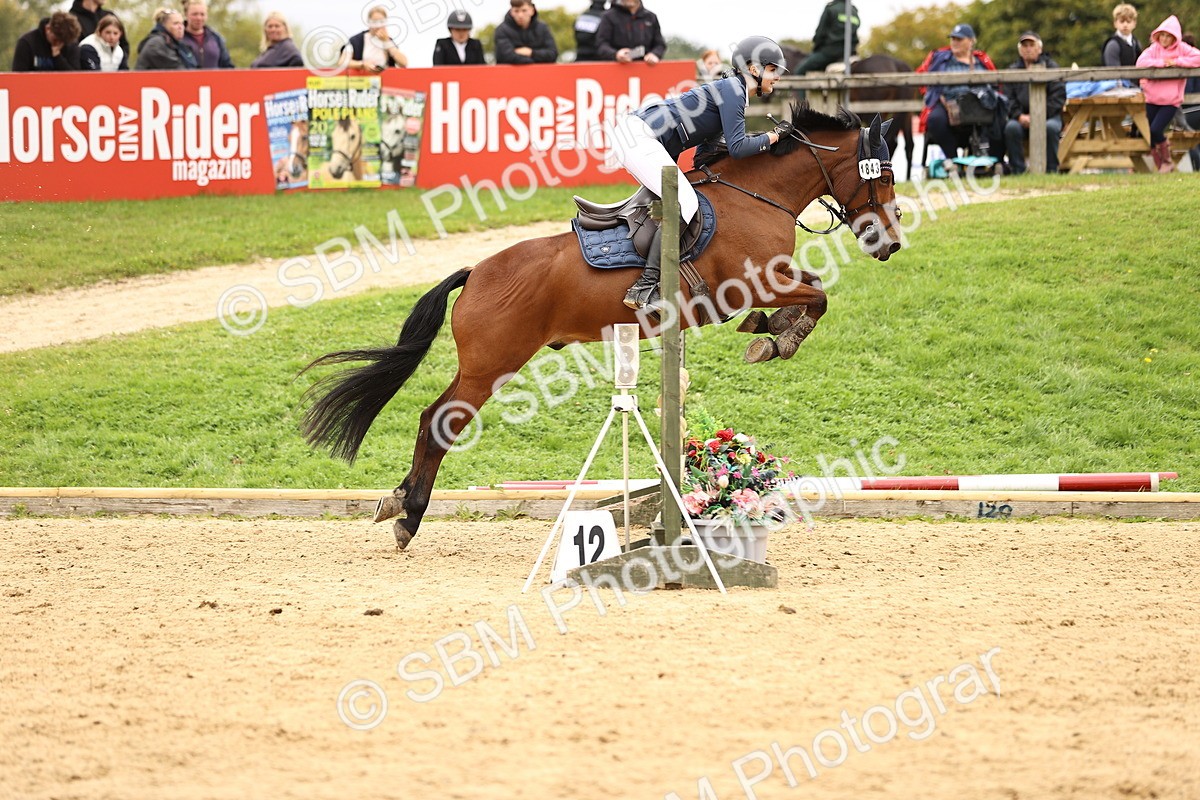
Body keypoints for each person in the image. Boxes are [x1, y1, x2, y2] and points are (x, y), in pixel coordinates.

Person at [608, 36, 791, 312]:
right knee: (686, 203)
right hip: (639, 137)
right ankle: (645, 285)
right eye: (774, 69)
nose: (777, 77)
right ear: (754, 69)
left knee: (678, 201)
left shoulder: (732, 91)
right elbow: (739, 148)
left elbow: (705, 154)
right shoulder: (733, 90)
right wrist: (773, 136)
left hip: (640, 135)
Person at [916, 23, 1001, 171]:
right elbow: (921, 78)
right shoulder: (940, 59)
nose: (954, 42)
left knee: (999, 113)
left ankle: (994, 161)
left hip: (979, 105)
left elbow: (995, 83)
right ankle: (953, 160)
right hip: (948, 103)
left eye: (959, 39)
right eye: (953, 39)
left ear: (971, 41)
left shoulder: (981, 61)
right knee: (935, 119)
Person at [1136, 15, 1200, 172]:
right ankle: (1161, 165)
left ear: (1174, 37)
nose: (1164, 39)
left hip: (1171, 101)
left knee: (1155, 130)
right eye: (1162, 35)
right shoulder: (1153, 49)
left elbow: (1198, 57)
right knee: (1145, 133)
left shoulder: (1182, 48)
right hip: (1151, 98)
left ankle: (1166, 160)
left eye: (1168, 36)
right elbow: (1140, 63)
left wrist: (1177, 62)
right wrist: (1163, 63)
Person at [1002, 32, 1066, 174]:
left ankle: (1051, 170)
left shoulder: (1052, 67)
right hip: (1021, 118)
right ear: (1020, 50)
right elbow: (1008, 98)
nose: (1028, 49)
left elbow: (1058, 97)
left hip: (1048, 116)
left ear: (1039, 48)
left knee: (1051, 128)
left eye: (1032, 45)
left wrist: (1039, 116)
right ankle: (1018, 171)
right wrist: (1019, 116)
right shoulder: (1012, 71)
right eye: (1025, 46)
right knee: (1011, 128)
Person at [795, 0, 859, 75]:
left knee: (799, 71)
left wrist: (816, 50)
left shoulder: (831, 8)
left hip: (829, 53)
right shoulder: (854, 11)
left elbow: (820, 33)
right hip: (850, 53)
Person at [340, 5, 409, 71]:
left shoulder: (389, 42)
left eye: (381, 22)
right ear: (369, 23)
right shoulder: (356, 40)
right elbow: (342, 62)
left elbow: (403, 63)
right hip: (361, 81)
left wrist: (387, 42)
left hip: (384, 81)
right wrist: (362, 64)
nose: (378, 26)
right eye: (374, 22)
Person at [595, 0, 665, 64]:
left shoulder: (650, 17)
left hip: (645, 69)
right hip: (616, 69)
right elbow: (601, 45)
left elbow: (659, 44)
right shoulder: (608, 17)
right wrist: (616, 54)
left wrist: (654, 54)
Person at [12, 12, 82, 71]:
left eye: (63, 42)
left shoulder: (71, 43)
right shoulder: (27, 43)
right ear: (48, 28)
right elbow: (18, 77)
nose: (59, 44)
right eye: (56, 40)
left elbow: (74, 78)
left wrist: (58, 57)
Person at [494, 0, 558, 65]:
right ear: (511, 12)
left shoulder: (543, 28)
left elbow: (552, 54)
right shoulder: (501, 30)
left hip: (540, 74)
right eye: (516, 11)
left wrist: (531, 52)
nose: (520, 15)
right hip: (510, 74)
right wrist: (533, 61)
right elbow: (506, 57)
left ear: (532, 10)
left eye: (524, 10)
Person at [179, 1, 233, 68]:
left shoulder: (216, 38)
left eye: (202, 14)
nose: (199, 18)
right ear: (185, 14)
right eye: (194, 14)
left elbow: (227, 66)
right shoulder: (178, 39)